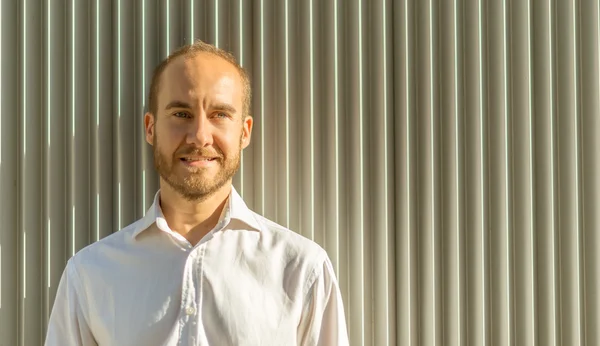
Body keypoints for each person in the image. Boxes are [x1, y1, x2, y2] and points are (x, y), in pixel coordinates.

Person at [44, 40, 349, 346]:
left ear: (244, 132)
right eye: (181, 114)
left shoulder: (301, 269)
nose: (200, 136)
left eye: (219, 115)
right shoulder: (89, 276)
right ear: (150, 128)